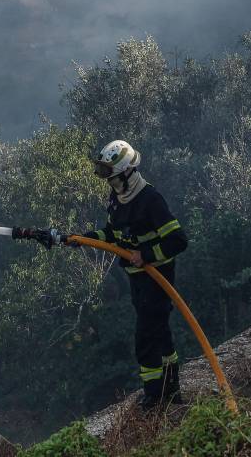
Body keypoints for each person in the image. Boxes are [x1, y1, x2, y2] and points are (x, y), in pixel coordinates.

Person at [80, 140, 187, 409]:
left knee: (145, 337)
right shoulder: (117, 199)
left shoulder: (151, 200)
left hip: (158, 277)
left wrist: (146, 255)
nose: (110, 185)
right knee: (160, 332)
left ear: (128, 173)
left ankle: (154, 395)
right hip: (137, 279)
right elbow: (111, 234)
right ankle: (171, 389)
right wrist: (85, 238)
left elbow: (178, 240)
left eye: (114, 179)